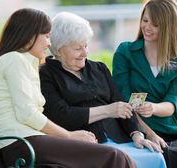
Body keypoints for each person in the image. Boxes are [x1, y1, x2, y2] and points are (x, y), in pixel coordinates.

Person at [0, 8, 136, 168]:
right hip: (23, 145)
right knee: (114, 157)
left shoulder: (27, 63)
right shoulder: (14, 60)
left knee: (114, 156)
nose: (49, 43)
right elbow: (27, 114)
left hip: (32, 141)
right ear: (30, 36)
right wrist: (69, 136)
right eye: (46, 36)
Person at [40, 12, 166, 168]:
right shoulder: (45, 74)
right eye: (78, 48)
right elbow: (61, 115)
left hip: (120, 139)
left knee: (155, 158)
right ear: (58, 50)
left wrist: (137, 134)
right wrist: (108, 110)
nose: (85, 53)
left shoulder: (98, 68)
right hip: (86, 144)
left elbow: (120, 104)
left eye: (86, 45)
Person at [112, 0, 177, 168]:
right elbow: (122, 99)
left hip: (167, 129)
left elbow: (173, 103)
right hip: (131, 127)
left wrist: (152, 108)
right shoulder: (125, 52)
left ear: (169, 27)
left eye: (155, 24)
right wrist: (149, 133)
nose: (147, 27)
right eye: (145, 21)